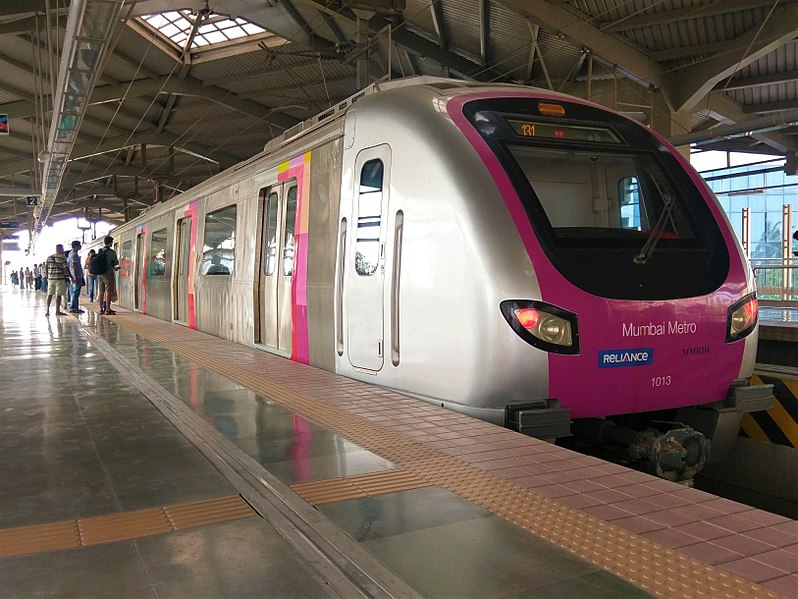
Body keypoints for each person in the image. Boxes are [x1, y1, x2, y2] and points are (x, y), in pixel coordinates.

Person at [95, 235, 119, 315]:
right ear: (110, 243)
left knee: (101, 291)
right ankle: (108, 309)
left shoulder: (100, 251)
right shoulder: (111, 252)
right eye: (112, 242)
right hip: (108, 273)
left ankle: (101, 309)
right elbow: (116, 262)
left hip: (100, 274)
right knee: (108, 291)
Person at [44, 244, 70, 316]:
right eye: (62, 248)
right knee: (58, 295)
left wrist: (47, 277)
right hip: (60, 279)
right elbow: (66, 269)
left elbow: (46, 267)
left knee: (49, 294)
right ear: (60, 249)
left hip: (51, 279)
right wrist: (70, 276)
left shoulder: (49, 257)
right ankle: (57, 311)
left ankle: (47, 311)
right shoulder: (63, 257)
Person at [67, 240, 85, 314]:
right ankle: (73, 307)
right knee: (76, 292)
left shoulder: (70, 253)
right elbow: (74, 266)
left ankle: (75, 307)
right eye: (79, 245)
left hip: (73, 276)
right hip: (77, 276)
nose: (80, 246)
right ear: (76, 246)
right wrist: (76, 277)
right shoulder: (74, 255)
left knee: (74, 292)